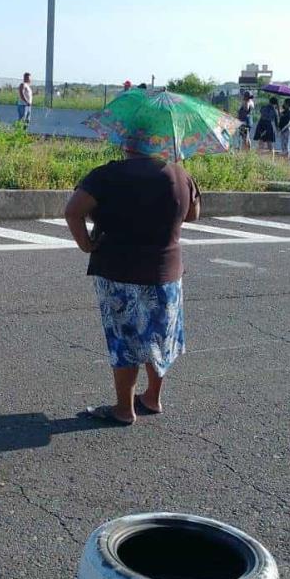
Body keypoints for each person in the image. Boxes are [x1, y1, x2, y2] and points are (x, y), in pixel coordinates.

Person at [64, 145, 201, 425]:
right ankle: (152, 396)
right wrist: (180, 171)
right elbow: (193, 214)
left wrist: (86, 245)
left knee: (124, 340)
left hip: (119, 269)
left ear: (127, 143)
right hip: (166, 270)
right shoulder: (178, 173)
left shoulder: (107, 175)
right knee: (159, 337)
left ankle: (124, 409)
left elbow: (73, 211)